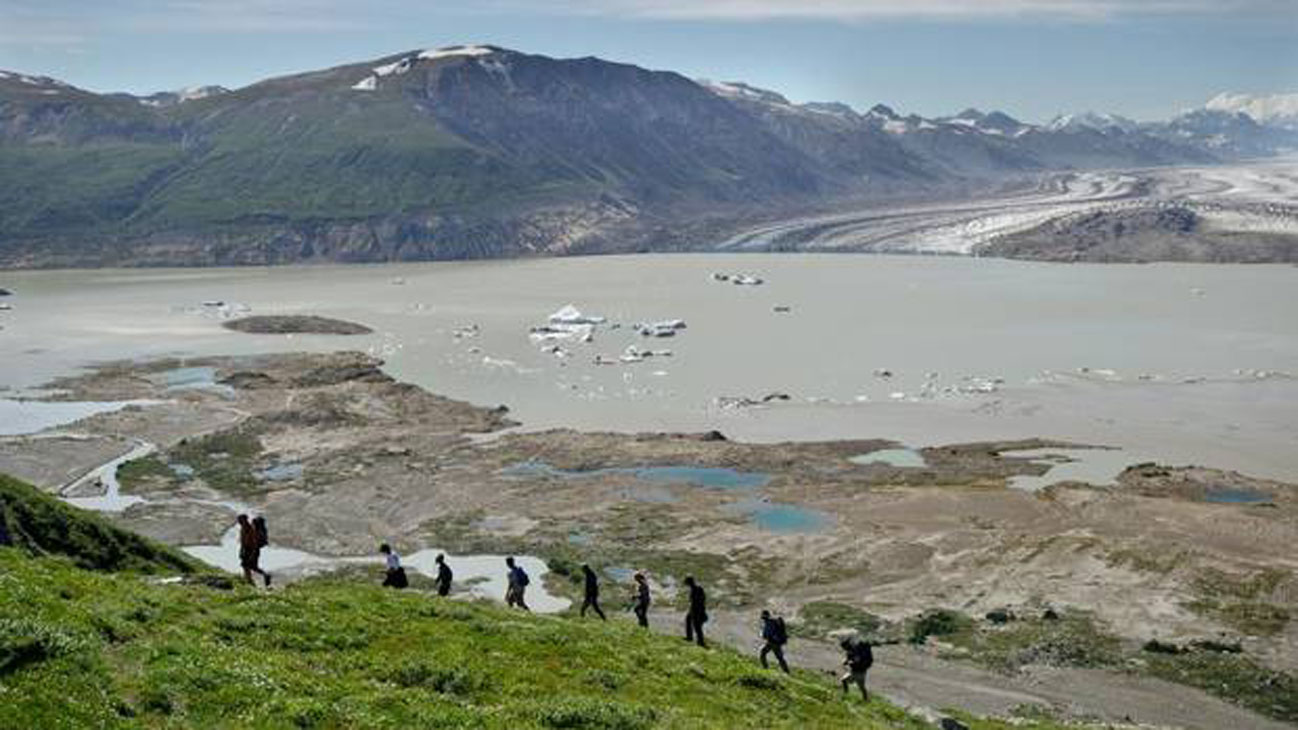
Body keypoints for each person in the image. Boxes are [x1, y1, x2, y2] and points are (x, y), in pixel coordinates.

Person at [237, 514, 271, 587]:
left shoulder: (249, 529)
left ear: (244, 520)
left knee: (249, 566)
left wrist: (252, 554)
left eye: (240, 520)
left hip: (250, 551)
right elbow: (243, 542)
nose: (238, 521)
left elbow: (252, 543)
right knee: (247, 566)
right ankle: (249, 581)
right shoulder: (245, 528)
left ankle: (252, 581)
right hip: (248, 550)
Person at [840, 637, 873, 701]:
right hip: (855, 670)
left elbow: (856, 660)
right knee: (844, 680)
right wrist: (846, 661)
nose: (844, 649)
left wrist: (848, 662)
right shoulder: (850, 651)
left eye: (844, 647)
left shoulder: (855, 650)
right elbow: (850, 659)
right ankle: (846, 693)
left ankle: (865, 699)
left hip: (860, 671)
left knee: (861, 687)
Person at [683, 576, 707, 647]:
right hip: (695, 609)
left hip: (697, 610)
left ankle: (700, 641)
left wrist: (698, 610)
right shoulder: (696, 589)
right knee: (689, 621)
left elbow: (698, 601)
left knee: (697, 626)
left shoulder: (696, 589)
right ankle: (691, 637)